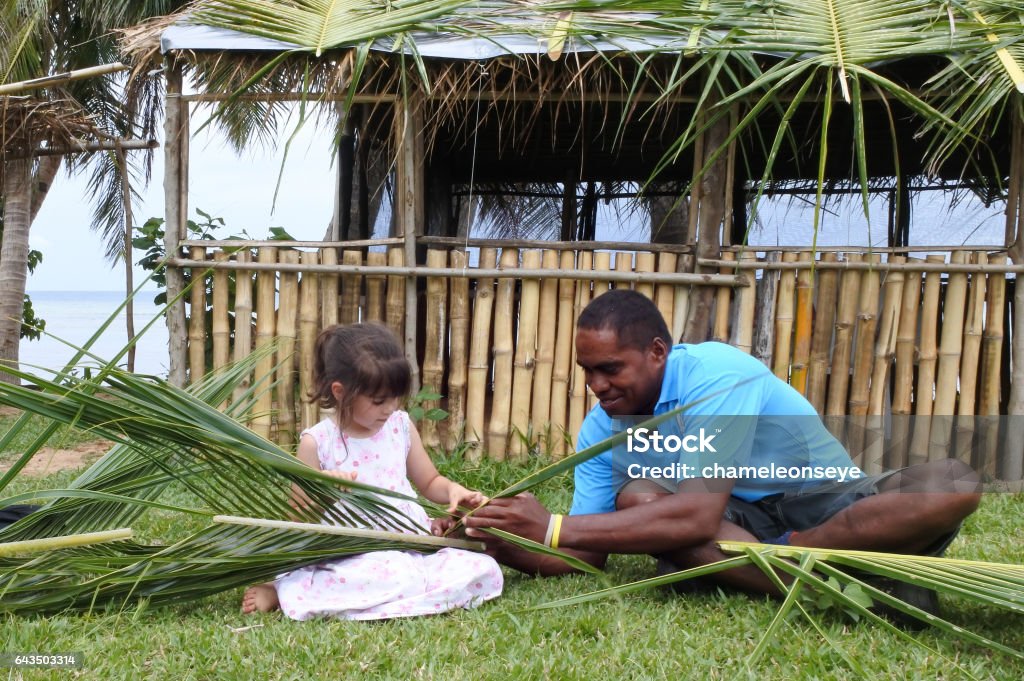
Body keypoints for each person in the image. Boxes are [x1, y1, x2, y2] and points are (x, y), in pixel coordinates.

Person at [464, 289, 981, 597]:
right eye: (587, 372)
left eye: (610, 368)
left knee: (955, 483)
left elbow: (695, 519)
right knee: (636, 497)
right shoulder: (602, 430)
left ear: (657, 353)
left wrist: (553, 524)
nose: (596, 385)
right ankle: (830, 578)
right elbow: (587, 555)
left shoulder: (716, 374)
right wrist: (498, 537)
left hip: (821, 503)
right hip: (738, 526)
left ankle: (783, 567)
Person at [242, 323, 502, 619]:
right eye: (379, 401)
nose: (389, 408)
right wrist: (324, 491)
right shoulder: (318, 443)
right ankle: (285, 589)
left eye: (395, 398)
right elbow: (298, 517)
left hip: (411, 546)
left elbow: (430, 481)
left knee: (484, 569)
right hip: (352, 555)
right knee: (393, 576)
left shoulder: (400, 427)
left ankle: (404, 590)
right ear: (341, 392)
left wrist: (454, 490)